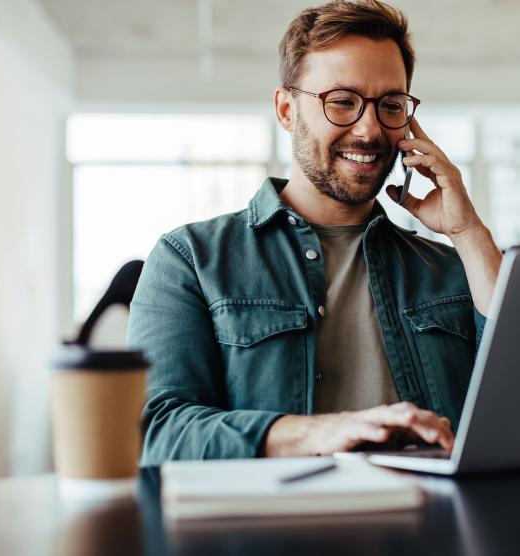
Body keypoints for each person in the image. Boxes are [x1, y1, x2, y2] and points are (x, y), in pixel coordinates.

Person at [127, 0, 502, 465]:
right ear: (286, 109)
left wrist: (468, 232)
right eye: (342, 101)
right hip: (271, 533)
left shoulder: (451, 270)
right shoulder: (190, 259)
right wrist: (325, 431)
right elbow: (154, 432)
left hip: (434, 531)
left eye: (390, 105)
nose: (369, 129)